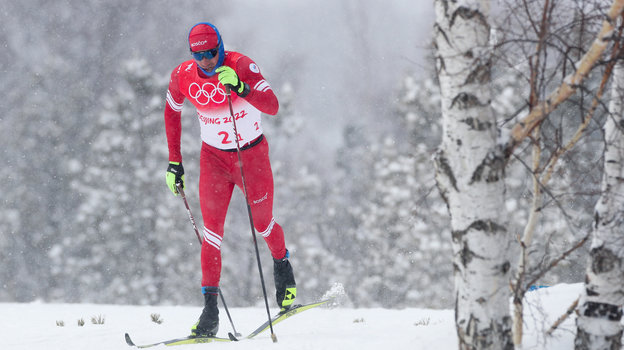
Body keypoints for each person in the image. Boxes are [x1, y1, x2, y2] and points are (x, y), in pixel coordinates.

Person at [163, 22, 296, 337]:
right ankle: (210, 312)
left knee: (262, 224)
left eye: (211, 53)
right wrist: (174, 161)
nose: (206, 60)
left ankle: (283, 267)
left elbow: (273, 106)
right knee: (212, 234)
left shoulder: (241, 66)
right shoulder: (183, 75)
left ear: (220, 47)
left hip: (251, 158)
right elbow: (171, 111)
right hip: (214, 161)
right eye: (199, 55)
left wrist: (241, 87)